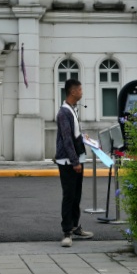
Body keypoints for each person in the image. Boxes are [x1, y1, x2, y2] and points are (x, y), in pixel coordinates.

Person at [55, 78, 93, 247]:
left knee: (76, 195)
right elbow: (66, 139)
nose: (82, 92)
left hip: (77, 158)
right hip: (68, 161)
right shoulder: (63, 112)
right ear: (73, 92)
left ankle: (76, 226)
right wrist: (75, 161)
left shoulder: (73, 109)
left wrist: (82, 137)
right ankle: (66, 232)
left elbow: (74, 134)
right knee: (69, 196)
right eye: (80, 89)